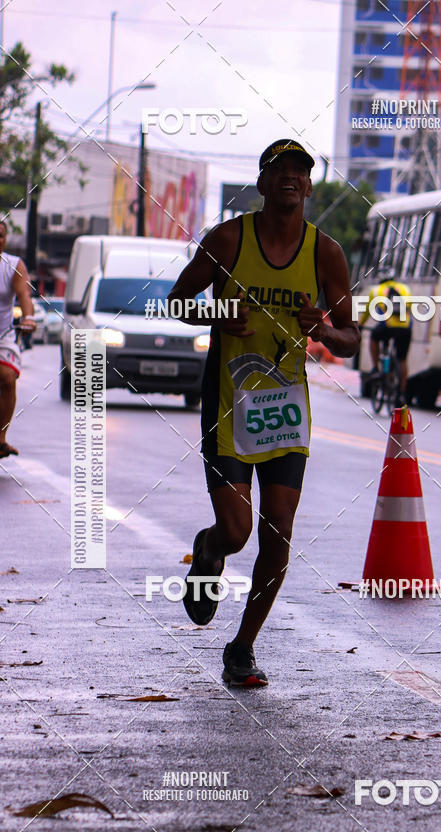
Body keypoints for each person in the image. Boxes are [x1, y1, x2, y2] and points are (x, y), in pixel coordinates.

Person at [167, 139, 359, 687]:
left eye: (301, 171)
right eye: (280, 170)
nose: (291, 179)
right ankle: (209, 548)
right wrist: (213, 313)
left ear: (310, 186)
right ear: (263, 182)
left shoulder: (326, 253)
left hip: (285, 415)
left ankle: (242, 648)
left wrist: (322, 328)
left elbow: (350, 339)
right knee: (236, 530)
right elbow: (178, 299)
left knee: (278, 538)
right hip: (228, 407)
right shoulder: (228, 238)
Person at [0, 221, 36, 458]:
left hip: (4, 334)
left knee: (7, 377)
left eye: (0, 236)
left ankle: (0, 439)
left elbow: (24, 295)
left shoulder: (13, 265)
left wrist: (29, 318)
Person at [360, 278, 412, 403]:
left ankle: (375, 368)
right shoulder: (406, 288)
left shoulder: (376, 290)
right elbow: (410, 308)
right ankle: (402, 393)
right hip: (405, 329)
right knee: (402, 360)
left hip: (387, 327)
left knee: (374, 337)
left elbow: (367, 311)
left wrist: (360, 325)